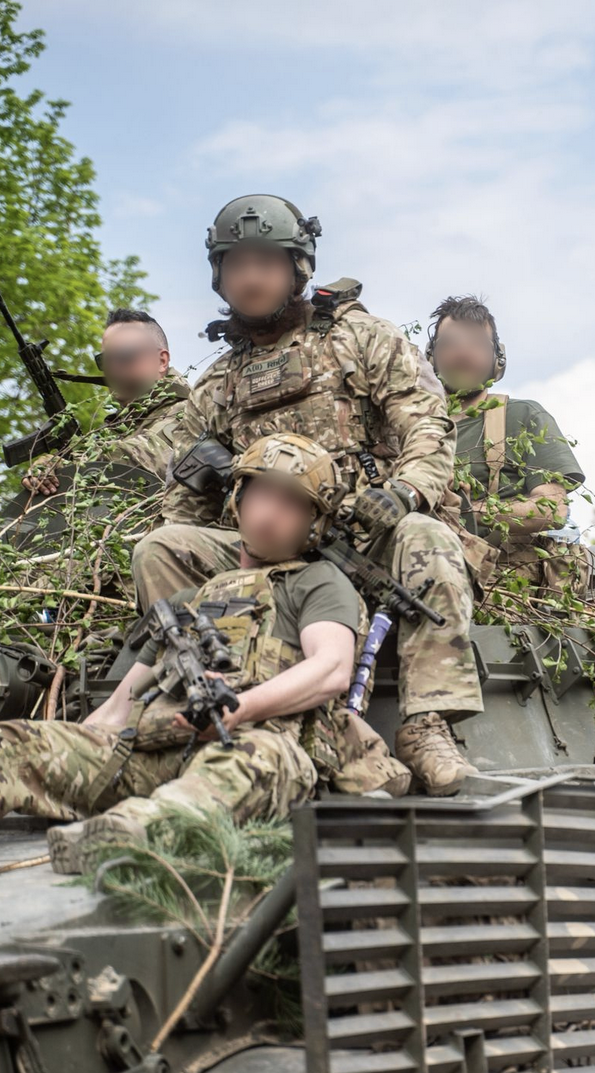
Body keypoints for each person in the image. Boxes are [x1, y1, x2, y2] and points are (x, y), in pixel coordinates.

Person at [130, 194, 481, 796]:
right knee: (161, 549)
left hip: (363, 538)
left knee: (426, 536)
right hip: (262, 553)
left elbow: (428, 424)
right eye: (237, 265)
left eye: (266, 263)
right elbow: (183, 496)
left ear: (298, 266)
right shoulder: (217, 384)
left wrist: (403, 492)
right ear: (219, 277)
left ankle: (426, 726)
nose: (251, 278)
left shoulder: (361, 339)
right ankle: (208, 697)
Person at [0, 435, 362, 876]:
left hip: (255, 747)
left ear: (313, 523)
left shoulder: (316, 582)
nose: (270, 514)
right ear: (239, 497)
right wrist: (67, 747)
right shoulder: (186, 603)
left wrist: (242, 708)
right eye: (264, 495)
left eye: (291, 504)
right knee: (11, 745)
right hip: (155, 752)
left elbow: (331, 669)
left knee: (253, 760)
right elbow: (118, 710)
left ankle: (128, 836)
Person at [425, 294, 587, 592]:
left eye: (476, 344)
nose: (463, 354)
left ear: (497, 358)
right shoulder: (410, 424)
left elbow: (552, 510)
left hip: (501, 584)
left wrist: (466, 511)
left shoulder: (523, 417)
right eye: (450, 344)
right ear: (431, 356)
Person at [23, 308, 191, 495]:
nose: (113, 368)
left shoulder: (189, 412)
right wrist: (47, 468)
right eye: (106, 360)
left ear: (161, 361)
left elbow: (143, 459)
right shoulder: (116, 429)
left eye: (124, 357)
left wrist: (67, 463)